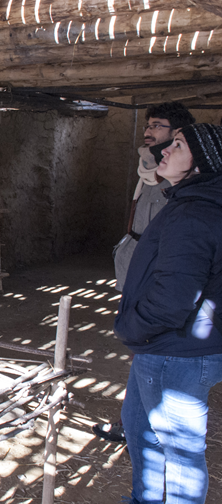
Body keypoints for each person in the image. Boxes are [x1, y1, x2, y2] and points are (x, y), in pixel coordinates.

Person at [114, 123, 222, 504]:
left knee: (181, 456)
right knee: (137, 425)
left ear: (200, 163)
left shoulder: (193, 214)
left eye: (178, 146)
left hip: (174, 352)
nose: (165, 151)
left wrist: (130, 328)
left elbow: (174, 299)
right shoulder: (193, 203)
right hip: (169, 348)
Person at [94, 101, 196, 443]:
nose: (148, 131)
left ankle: (146, 427)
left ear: (178, 134)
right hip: (139, 266)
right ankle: (133, 423)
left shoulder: (185, 185)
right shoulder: (150, 171)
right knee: (141, 353)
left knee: (150, 349)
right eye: (148, 124)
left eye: (157, 126)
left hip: (157, 273)